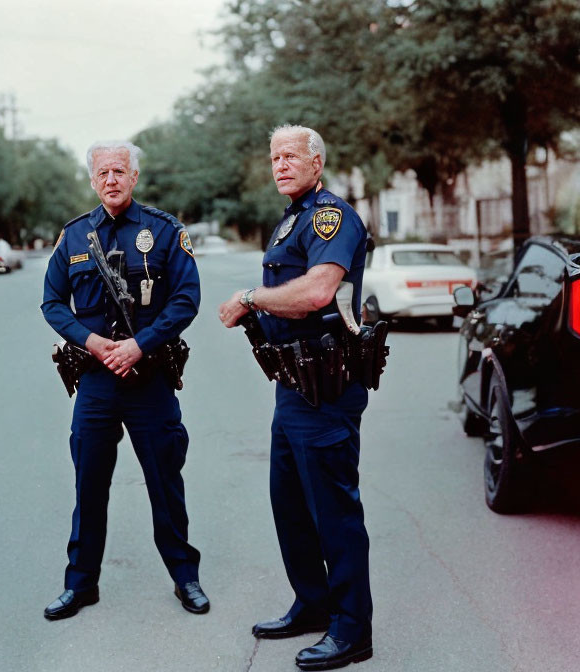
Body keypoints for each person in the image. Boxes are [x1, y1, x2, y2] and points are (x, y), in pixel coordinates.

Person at [218, 125, 373, 670]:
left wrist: (248, 297)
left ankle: (352, 629)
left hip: (327, 385)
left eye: (291, 156)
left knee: (334, 510)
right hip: (293, 384)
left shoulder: (331, 215)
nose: (281, 165)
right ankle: (314, 605)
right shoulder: (292, 218)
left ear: (317, 162)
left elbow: (316, 292)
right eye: (274, 157)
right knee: (290, 505)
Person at [40, 140, 208, 620]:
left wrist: (141, 344)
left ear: (134, 177)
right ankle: (80, 585)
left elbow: (186, 299)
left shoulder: (164, 231)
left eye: (120, 170)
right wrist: (93, 343)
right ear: (92, 180)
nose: (111, 179)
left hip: (149, 379)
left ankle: (185, 578)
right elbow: (52, 302)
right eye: (103, 172)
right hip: (96, 383)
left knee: (164, 482)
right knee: (89, 485)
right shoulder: (73, 237)